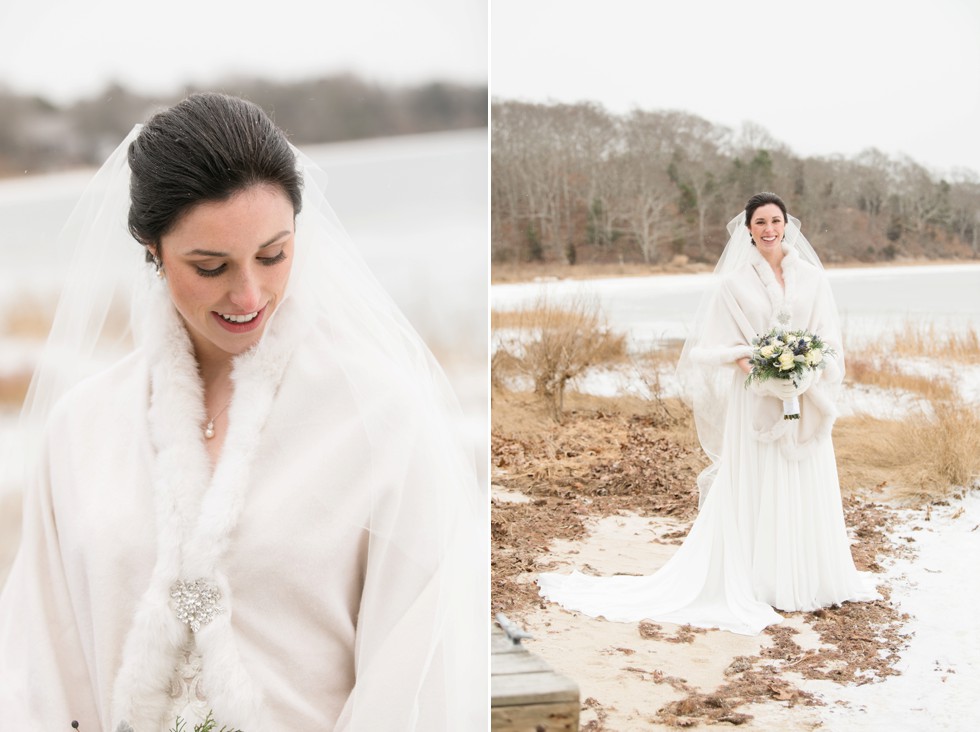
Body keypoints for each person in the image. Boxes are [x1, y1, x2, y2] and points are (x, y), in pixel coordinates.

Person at [0, 93, 485, 729]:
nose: (249, 294)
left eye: (273, 254)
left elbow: (419, 665)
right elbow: (43, 665)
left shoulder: (383, 419)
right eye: (210, 265)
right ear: (152, 249)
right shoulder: (79, 428)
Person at [537, 192, 877, 635]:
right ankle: (762, 581)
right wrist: (760, 369)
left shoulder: (813, 279)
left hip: (805, 395)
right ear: (748, 229)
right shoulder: (733, 284)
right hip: (754, 394)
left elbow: (829, 338)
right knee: (758, 479)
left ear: (788, 226)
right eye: (760, 222)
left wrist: (804, 374)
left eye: (776, 221)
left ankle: (808, 576)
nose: (769, 229)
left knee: (803, 478)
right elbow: (718, 342)